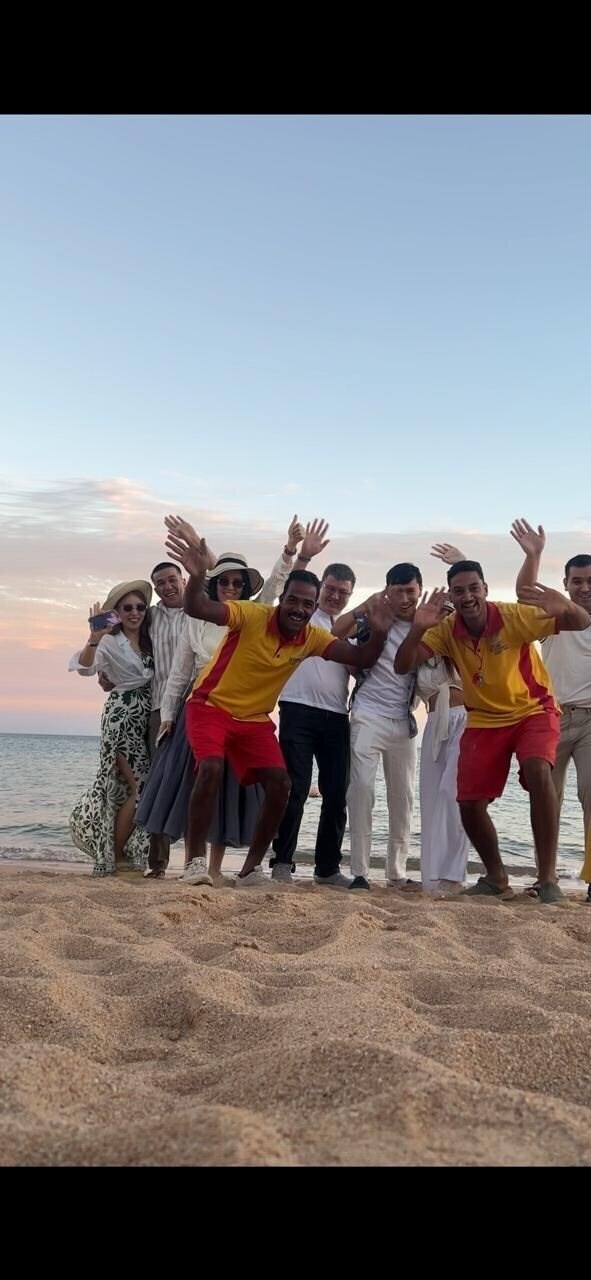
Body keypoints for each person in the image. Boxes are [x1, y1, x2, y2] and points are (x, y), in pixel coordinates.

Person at [163, 521, 396, 887]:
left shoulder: (312, 637)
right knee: (210, 767)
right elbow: (196, 606)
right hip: (210, 706)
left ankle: (250, 870)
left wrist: (379, 631)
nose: (299, 609)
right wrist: (196, 577)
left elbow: (361, 657)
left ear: (313, 607)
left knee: (281, 783)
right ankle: (194, 863)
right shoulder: (251, 615)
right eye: (293, 600)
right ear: (282, 599)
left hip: (253, 719)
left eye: (307, 604)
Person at [136, 515, 319, 886]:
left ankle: (218, 869)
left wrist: (291, 551)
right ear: (215, 584)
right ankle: (194, 865)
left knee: (229, 793)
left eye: (238, 582)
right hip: (201, 709)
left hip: (240, 711)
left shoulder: (255, 614)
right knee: (198, 785)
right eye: (225, 581)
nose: (231, 588)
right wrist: (168, 716)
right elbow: (179, 674)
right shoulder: (197, 619)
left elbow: (277, 585)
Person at [394, 561, 591, 904]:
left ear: (485, 589)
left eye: (474, 588)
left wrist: (565, 605)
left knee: (538, 769)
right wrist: (418, 629)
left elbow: (581, 621)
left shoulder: (513, 616)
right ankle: (496, 877)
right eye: (459, 591)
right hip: (485, 718)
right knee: (468, 802)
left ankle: (547, 879)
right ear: (452, 595)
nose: (468, 596)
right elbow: (403, 665)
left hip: (533, 709)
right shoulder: (446, 629)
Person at [511, 518, 591, 903]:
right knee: (546, 799)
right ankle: (547, 878)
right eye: (577, 581)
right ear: (566, 583)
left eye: (590, 581)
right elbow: (525, 596)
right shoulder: (554, 615)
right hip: (552, 719)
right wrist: (534, 555)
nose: (584, 588)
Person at [269, 561, 357, 888]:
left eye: (343, 593)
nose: (335, 596)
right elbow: (285, 590)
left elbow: (358, 667)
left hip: (337, 714)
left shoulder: (353, 628)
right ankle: (282, 861)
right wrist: (301, 557)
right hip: (298, 708)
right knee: (295, 788)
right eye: (330, 589)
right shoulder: (303, 616)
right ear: (321, 587)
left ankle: (327, 868)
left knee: (337, 792)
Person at [342, 563, 424, 892]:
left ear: (419, 590)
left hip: (403, 720)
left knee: (403, 797)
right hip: (367, 713)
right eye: (397, 591)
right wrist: (366, 607)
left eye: (410, 591)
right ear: (387, 591)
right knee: (361, 790)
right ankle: (360, 872)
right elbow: (336, 632)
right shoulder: (373, 618)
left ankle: (397, 872)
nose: (404, 598)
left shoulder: (426, 624)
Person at [68, 582, 154, 877]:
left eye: (140, 607)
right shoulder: (109, 641)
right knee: (141, 788)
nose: (135, 613)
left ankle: (123, 854)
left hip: (145, 719)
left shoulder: (150, 639)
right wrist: (94, 638)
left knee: (128, 788)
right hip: (122, 718)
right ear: (116, 612)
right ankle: (115, 856)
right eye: (127, 608)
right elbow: (85, 668)